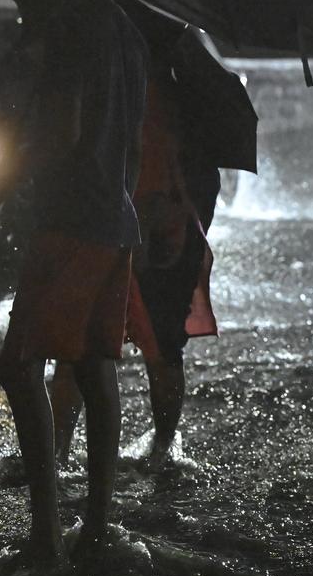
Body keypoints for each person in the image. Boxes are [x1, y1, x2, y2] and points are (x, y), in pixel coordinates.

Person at [0, 0, 147, 566]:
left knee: (20, 364)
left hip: (68, 221)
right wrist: (121, 205)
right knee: (93, 366)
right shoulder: (131, 36)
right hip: (115, 220)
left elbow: (63, 131)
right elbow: (130, 142)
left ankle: (44, 539)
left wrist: (0, 180)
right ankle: (98, 529)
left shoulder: (74, 29)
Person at [50, 36, 219, 473]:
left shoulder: (141, 93)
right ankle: (84, 452)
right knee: (98, 351)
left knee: (112, 350)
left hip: (149, 239)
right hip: (134, 234)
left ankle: (142, 450)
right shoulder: (154, 92)